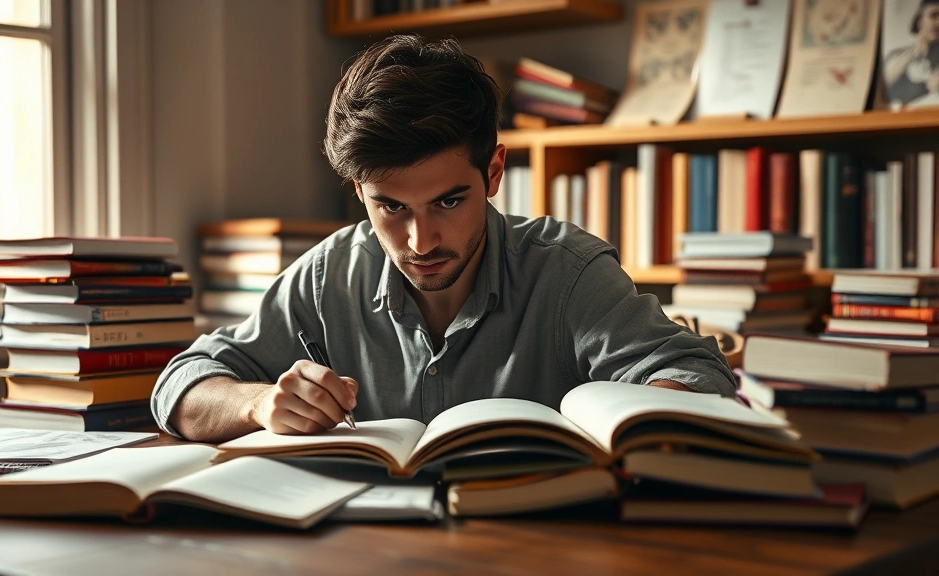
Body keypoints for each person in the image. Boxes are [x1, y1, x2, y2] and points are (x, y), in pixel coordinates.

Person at [152, 35, 736, 443]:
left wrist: (638, 416)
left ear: (495, 172)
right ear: (359, 191)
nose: (420, 239)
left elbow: (695, 372)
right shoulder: (328, 274)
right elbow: (180, 384)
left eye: (449, 202)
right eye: (391, 207)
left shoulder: (568, 273)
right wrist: (256, 404)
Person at [884, 0, 939, 108]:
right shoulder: (897, 55)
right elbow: (886, 83)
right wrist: (916, 49)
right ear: (920, 22)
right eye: (933, 15)